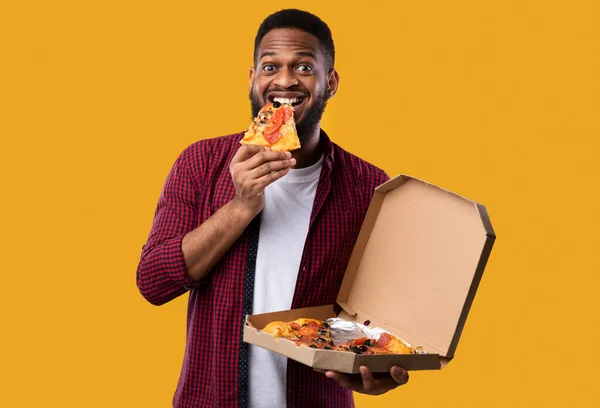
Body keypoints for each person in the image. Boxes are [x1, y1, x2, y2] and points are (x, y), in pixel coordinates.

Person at [137, 9, 409, 408]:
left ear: (329, 83)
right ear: (253, 80)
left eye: (303, 66)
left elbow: (374, 313)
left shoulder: (367, 185)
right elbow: (154, 282)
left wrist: (377, 367)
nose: (285, 80)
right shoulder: (200, 162)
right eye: (270, 67)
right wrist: (241, 205)